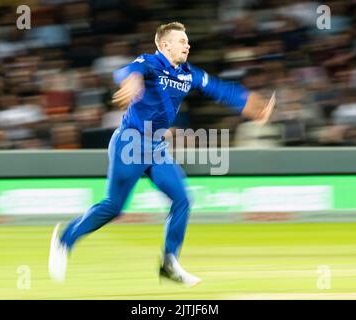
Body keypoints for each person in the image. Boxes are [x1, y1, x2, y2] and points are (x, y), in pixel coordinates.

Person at [48, 22, 276, 286]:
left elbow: (219, 88)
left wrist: (249, 102)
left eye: (187, 41)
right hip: (130, 143)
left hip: (156, 147)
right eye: (182, 41)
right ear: (165, 45)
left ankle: (170, 262)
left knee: (183, 199)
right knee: (112, 207)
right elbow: (128, 70)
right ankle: (64, 241)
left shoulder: (189, 74)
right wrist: (132, 82)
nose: (187, 45)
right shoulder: (149, 62)